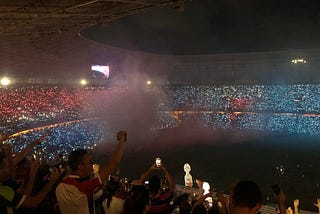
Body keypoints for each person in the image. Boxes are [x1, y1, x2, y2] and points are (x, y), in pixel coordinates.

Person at [55, 130, 127, 214]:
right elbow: (113, 163)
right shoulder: (82, 186)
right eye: (90, 162)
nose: (92, 165)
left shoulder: (60, 186)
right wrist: (122, 140)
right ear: (80, 166)